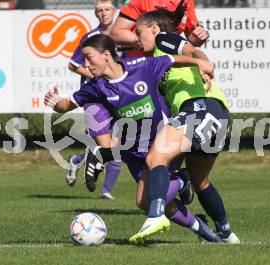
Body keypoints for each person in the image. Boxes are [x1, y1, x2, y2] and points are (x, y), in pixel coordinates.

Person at [44, 34, 222, 243]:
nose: (86, 64)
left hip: (163, 144)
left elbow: (173, 59)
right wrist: (55, 102)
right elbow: (68, 104)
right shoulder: (97, 87)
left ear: (106, 55)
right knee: (145, 202)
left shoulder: (141, 67)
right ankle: (201, 227)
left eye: (89, 58)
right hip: (134, 152)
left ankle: (183, 179)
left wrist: (200, 63)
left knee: (154, 198)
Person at [130, 9, 240, 244]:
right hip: (216, 113)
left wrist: (202, 61)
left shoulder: (163, 39)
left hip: (200, 108)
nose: (136, 38)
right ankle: (226, 232)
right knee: (201, 182)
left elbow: (191, 50)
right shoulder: (156, 64)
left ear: (153, 29)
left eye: (139, 32)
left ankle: (156, 214)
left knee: (156, 157)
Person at [66, 0, 122, 200]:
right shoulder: (90, 37)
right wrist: (96, 76)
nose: (103, 13)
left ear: (115, 11)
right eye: (99, 10)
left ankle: (105, 190)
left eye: (107, 9)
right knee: (107, 147)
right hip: (95, 97)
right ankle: (83, 166)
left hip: (118, 95)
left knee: (116, 146)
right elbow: (73, 64)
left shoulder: (123, 35)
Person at [110, 0, 209, 48]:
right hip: (140, 64)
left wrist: (199, 37)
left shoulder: (186, 1)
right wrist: (148, 41)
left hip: (169, 60)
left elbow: (192, 38)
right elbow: (117, 33)